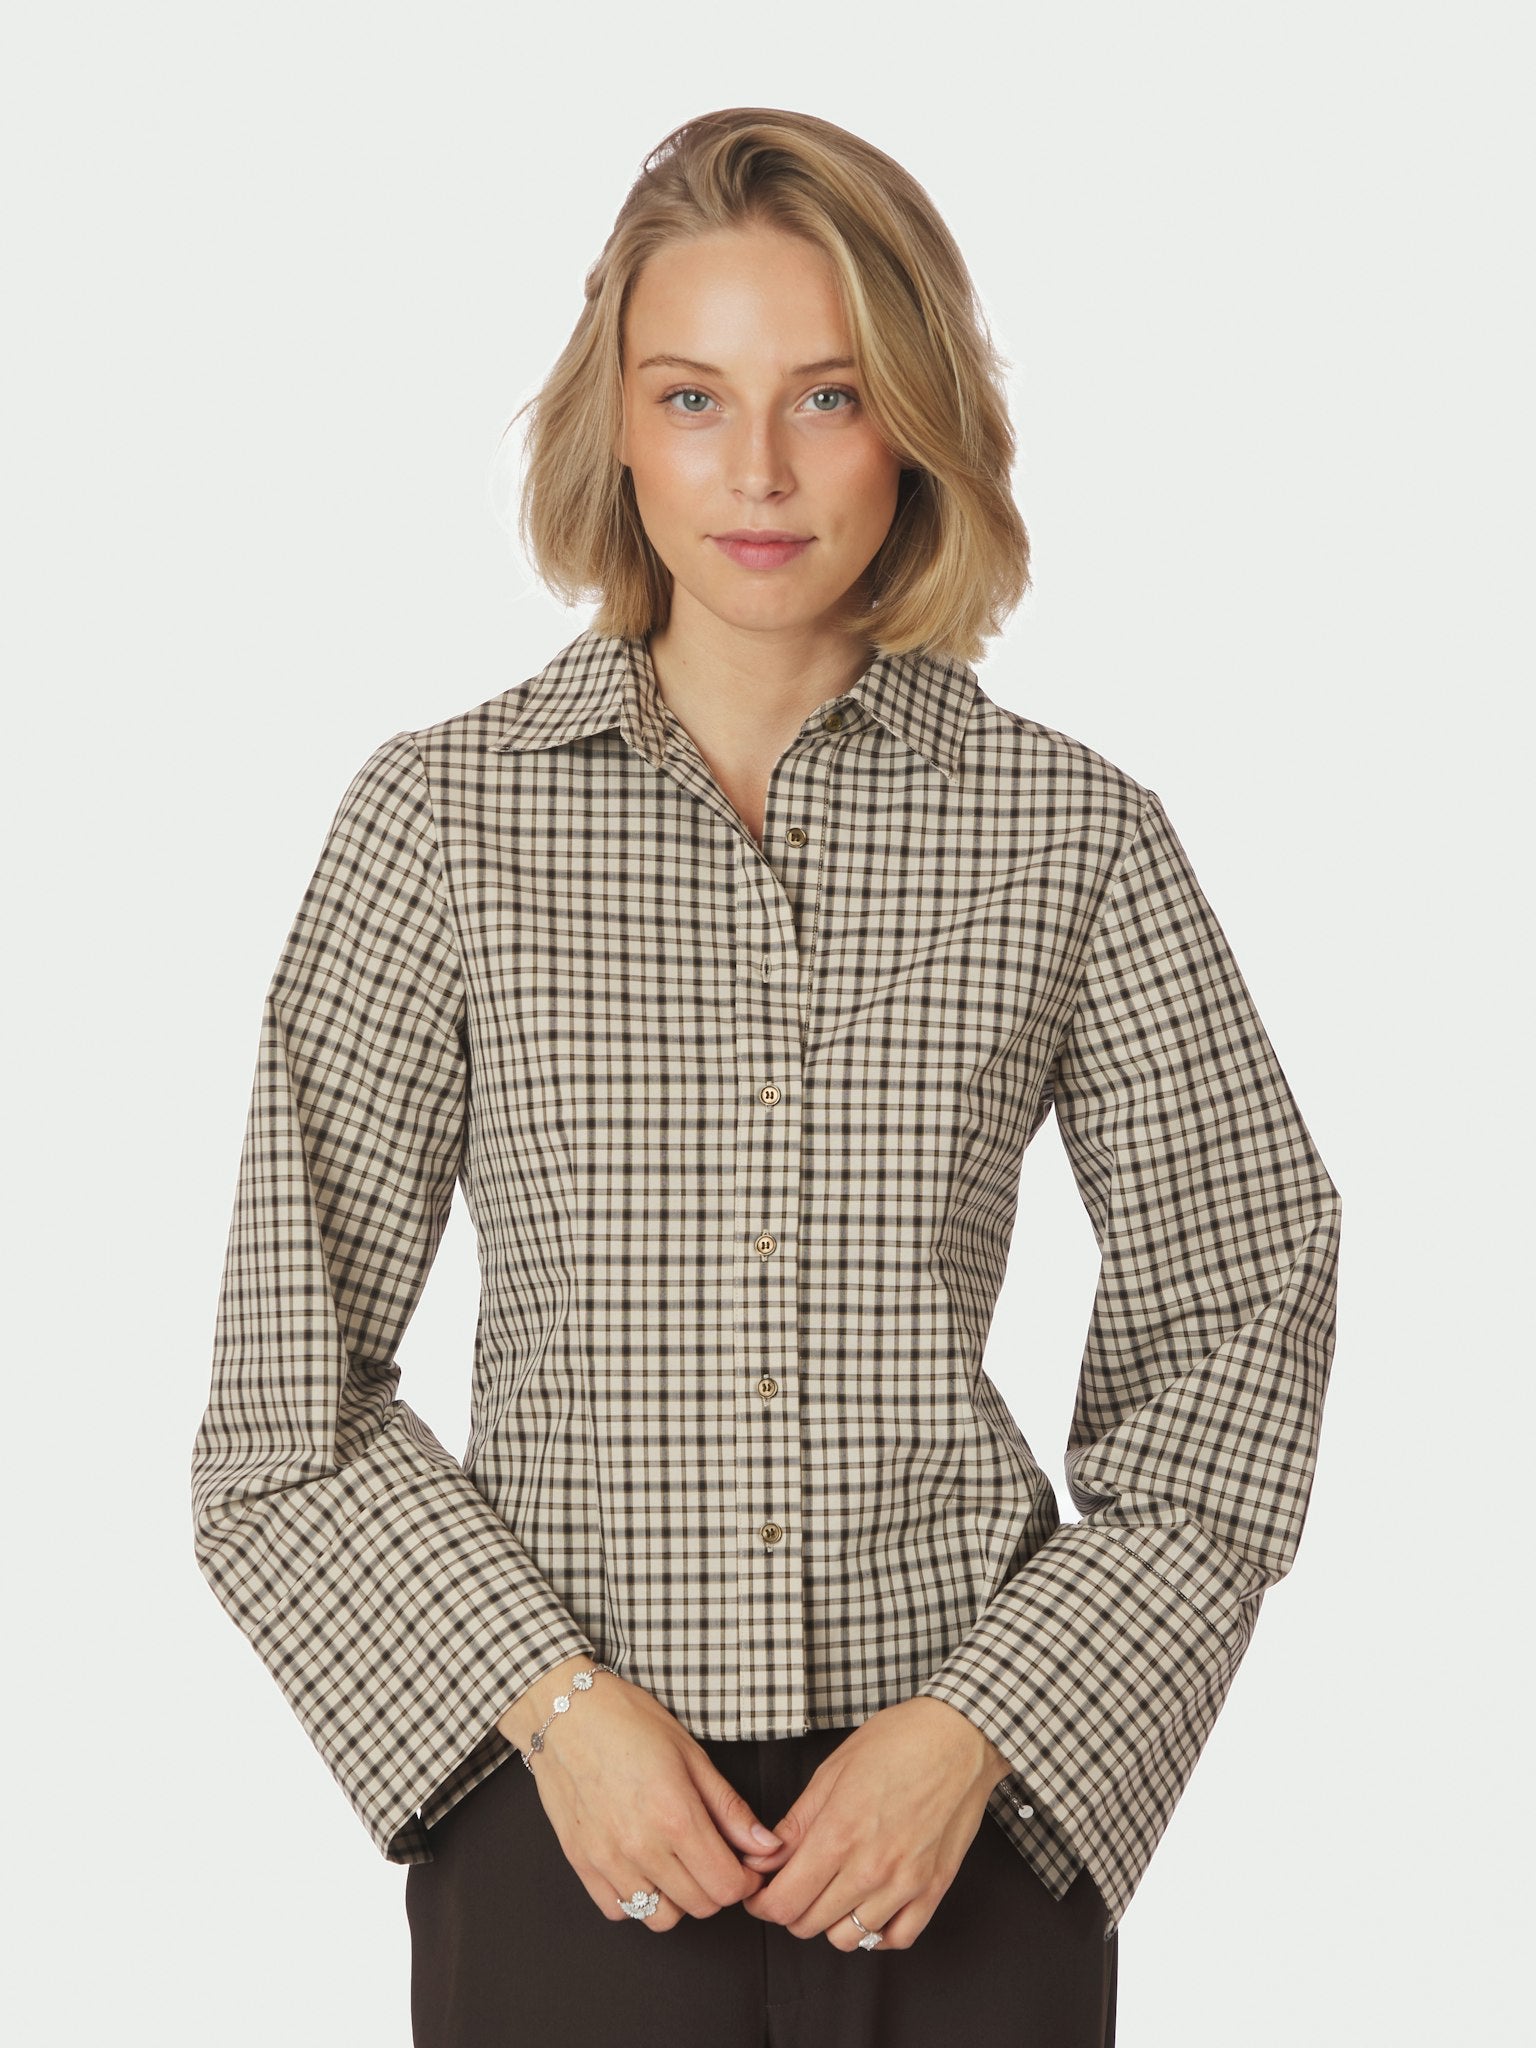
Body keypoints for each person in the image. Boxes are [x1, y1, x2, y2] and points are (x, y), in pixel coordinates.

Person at [190, 106, 1342, 2048]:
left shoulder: (1070, 834)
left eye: (827, 395)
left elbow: (1245, 1305)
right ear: (616, 425)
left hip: (961, 1836)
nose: (757, 471)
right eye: (691, 397)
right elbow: (281, 1410)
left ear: (916, 420)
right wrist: (550, 1705)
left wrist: (988, 1722)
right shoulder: (441, 824)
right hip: (564, 1830)